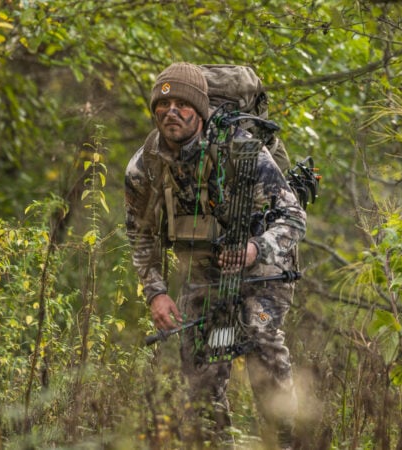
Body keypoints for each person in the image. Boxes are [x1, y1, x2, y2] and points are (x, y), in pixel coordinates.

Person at [124, 62, 306, 448]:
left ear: (200, 110)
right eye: (163, 103)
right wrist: (155, 292)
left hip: (264, 267)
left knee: (259, 341)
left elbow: (293, 217)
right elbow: (140, 234)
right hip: (207, 270)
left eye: (182, 104)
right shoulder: (146, 165)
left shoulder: (242, 152)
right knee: (203, 370)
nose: (171, 111)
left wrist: (256, 249)